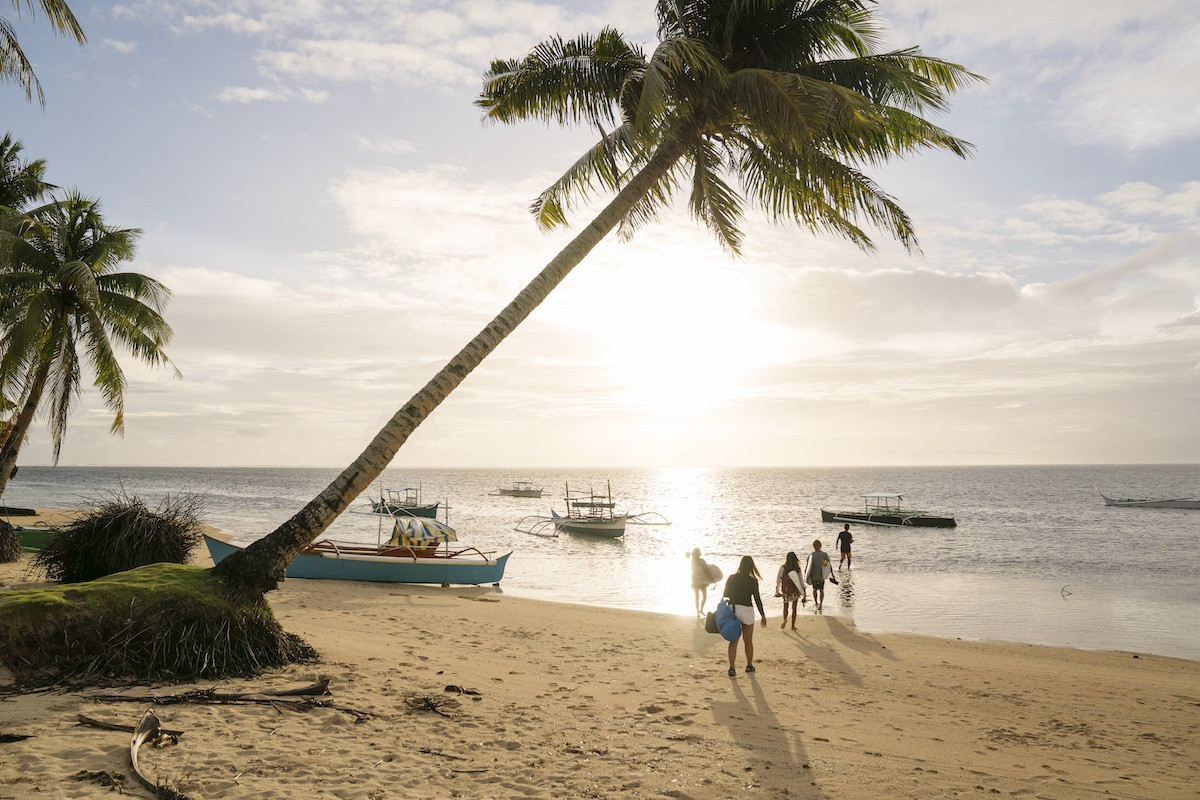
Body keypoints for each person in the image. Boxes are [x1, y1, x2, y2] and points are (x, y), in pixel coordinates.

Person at [722, 555, 766, 676]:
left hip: (734, 609)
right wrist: (762, 614)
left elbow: (725, 594)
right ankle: (749, 665)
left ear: (740, 565)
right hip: (747, 611)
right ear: (751, 566)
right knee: (748, 641)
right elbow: (757, 598)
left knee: (733, 641)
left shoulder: (732, 578)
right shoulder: (753, 580)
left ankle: (732, 668)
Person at [775, 551, 804, 630]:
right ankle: (792, 626)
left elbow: (779, 579)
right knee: (794, 609)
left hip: (785, 592)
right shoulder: (797, 569)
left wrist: (777, 590)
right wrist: (803, 592)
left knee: (785, 608)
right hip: (794, 592)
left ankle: (785, 620)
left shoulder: (783, 567)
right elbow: (801, 581)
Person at [804, 539, 832, 612]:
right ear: (820, 546)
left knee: (815, 589)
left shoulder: (811, 555)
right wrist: (832, 574)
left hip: (814, 575)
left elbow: (808, 567)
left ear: (813, 546)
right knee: (821, 590)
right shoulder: (824, 554)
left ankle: (816, 602)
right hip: (821, 575)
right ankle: (821, 604)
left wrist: (805, 575)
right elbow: (829, 565)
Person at [690, 548, 713, 617]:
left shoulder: (695, 561)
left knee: (700, 596)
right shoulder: (698, 561)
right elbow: (706, 570)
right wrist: (711, 578)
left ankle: (699, 611)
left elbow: (705, 570)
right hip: (699, 581)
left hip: (698, 580)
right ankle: (699, 611)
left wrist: (711, 578)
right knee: (701, 596)